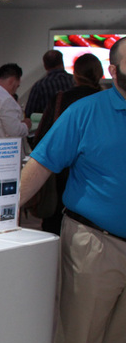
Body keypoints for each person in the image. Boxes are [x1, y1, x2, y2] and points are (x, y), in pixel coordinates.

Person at [19, 37, 126, 343]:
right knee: (79, 342)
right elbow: (41, 165)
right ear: (113, 70)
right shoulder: (86, 112)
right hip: (97, 244)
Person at [31, 53, 103, 235]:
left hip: (61, 174)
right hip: (97, 178)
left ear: (76, 74)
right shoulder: (107, 102)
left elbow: (42, 137)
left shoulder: (61, 98)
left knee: (54, 225)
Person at [24, 50, 74, 118]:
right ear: (62, 63)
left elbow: (29, 114)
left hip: (51, 124)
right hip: (74, 123)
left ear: (45, 66)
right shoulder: (75, 81)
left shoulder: (40, 86)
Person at [0, 63, 32, 139]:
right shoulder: (6, 100)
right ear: (12, 81)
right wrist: (26, 125)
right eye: (17, 86)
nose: (15, 91)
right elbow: (14, 132)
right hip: (2, 144)